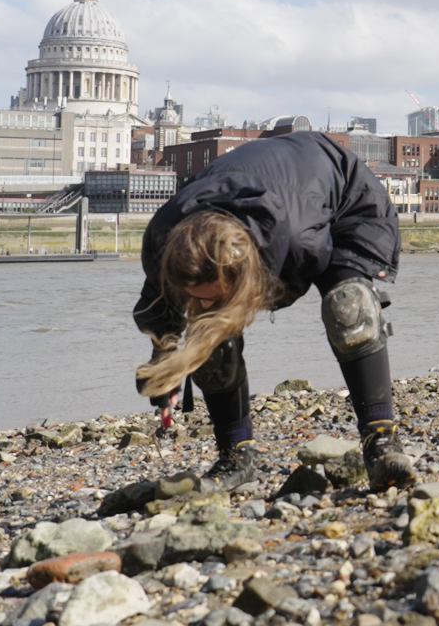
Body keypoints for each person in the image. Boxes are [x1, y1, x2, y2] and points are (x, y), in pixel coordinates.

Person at [133, 131, 414, 492]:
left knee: (349, 308)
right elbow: (159, 305)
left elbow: (300, 285)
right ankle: (236, 454)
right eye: (195, 296)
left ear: (245, 272)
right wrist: (165, 358)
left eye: (211, 294)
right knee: (209, 330)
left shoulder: (297, 242)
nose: (202, 303)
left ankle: (381, 440)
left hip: (344, 197)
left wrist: (224, 315)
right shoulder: (163, 240)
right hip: (261, 189)